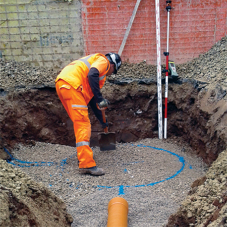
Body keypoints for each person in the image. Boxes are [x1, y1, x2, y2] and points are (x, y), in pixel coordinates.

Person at [55, 53, 122, 176]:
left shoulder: (90, 69)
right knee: (83, 124)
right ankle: (87, 164)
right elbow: (93, 74)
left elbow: (92, 100)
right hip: (73, 86)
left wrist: (102, 121)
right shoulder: (104, 61)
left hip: (63, 85)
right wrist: (100, 98)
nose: (110, 73)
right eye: (113, 71)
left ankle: (82, 156)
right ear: (112, 65)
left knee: (79, 123)